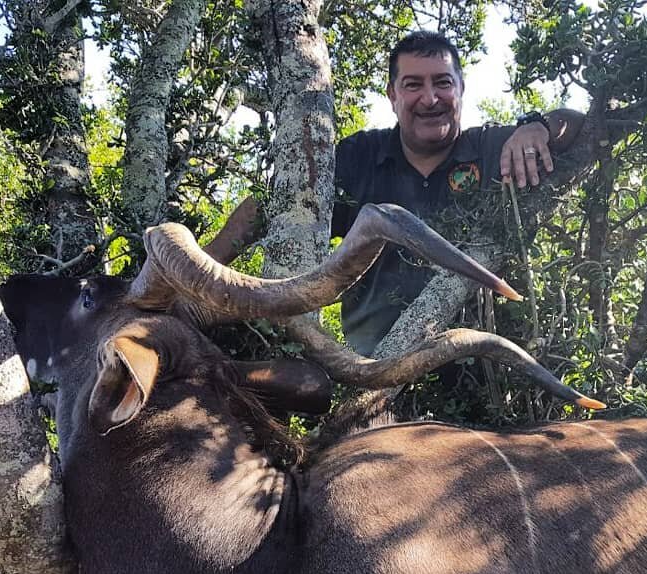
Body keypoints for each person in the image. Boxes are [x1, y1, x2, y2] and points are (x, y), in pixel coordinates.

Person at [206, 30, 585, 355]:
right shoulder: (358, 158)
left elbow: (580, 125)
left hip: (484, 369)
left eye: (442, 82)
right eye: (413, 84)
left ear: (461, 89)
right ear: (392, 95)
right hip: (374, 369)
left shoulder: (491, 147)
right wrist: (203, 271)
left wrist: (539, 126)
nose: (430, 99)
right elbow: (275, 202)